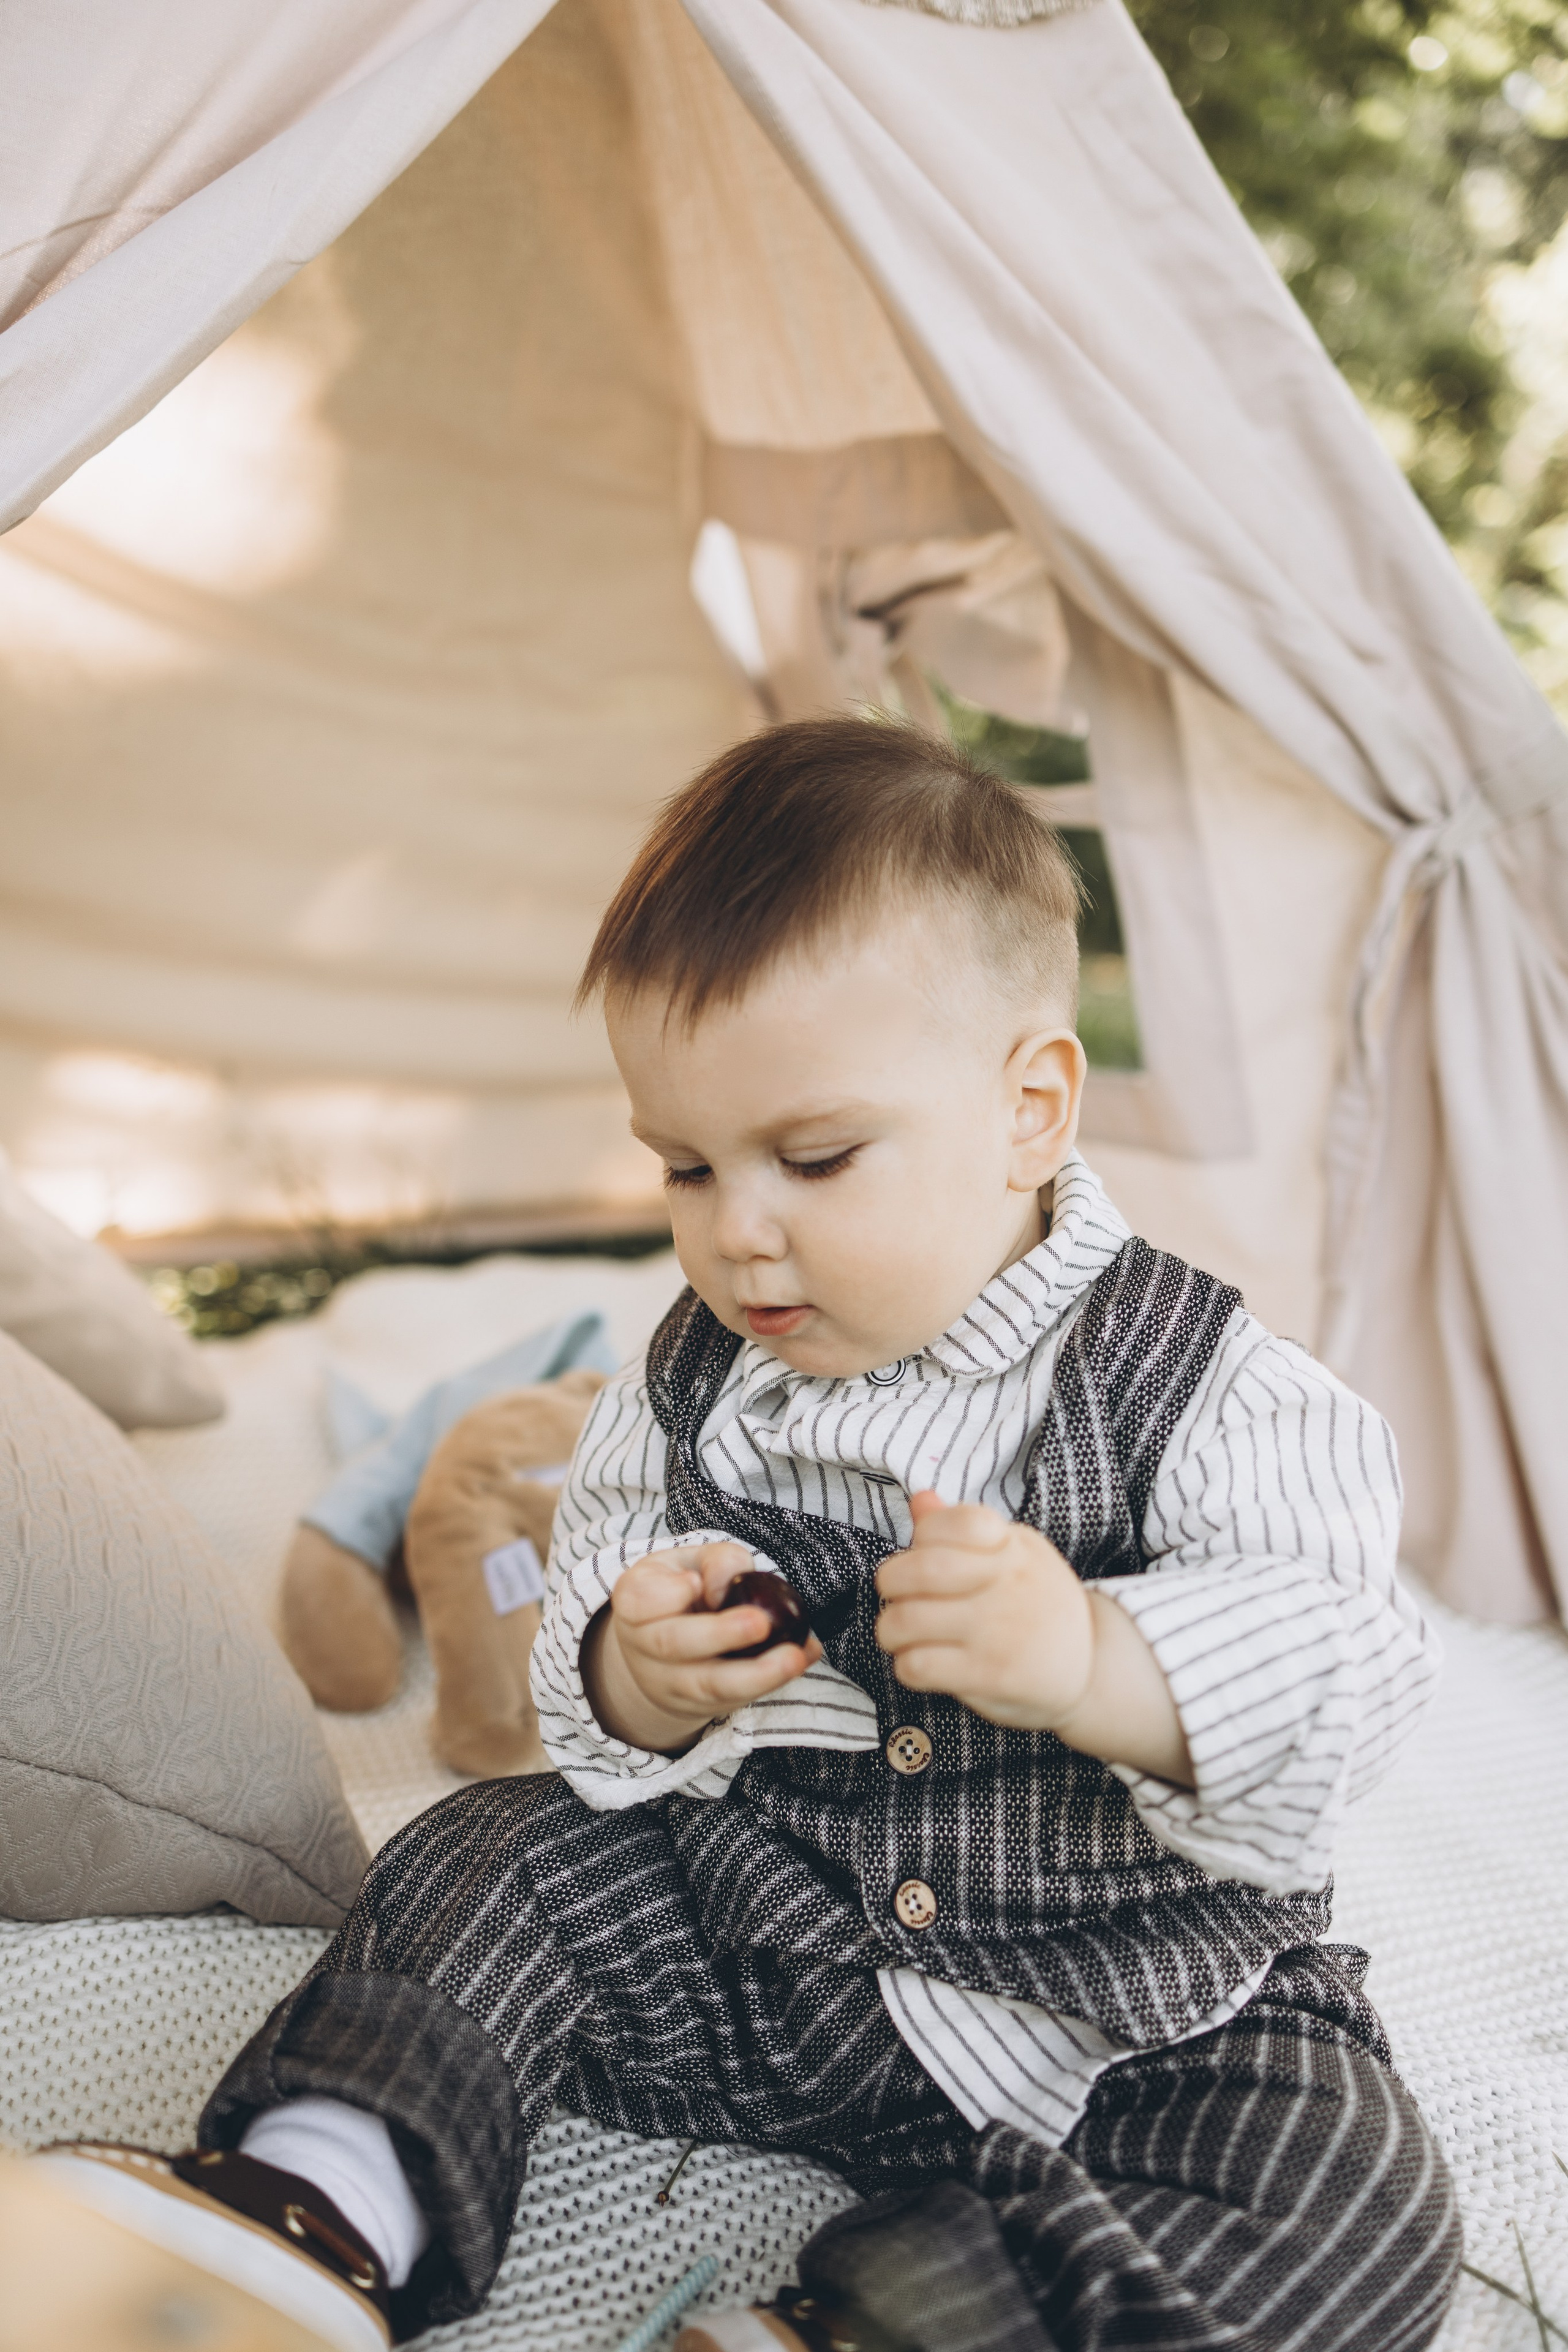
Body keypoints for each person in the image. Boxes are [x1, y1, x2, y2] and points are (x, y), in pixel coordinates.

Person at [31, 718, 1460, 2352]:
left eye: (815, 1156)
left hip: (1125, 2004)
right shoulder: (691, 1382)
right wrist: (637, 1671)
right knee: (496, 1853)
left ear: (1032, 1108)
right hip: (773, 1946)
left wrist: (1099, 1658)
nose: (738, 1232)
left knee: (1355, 2196)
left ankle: (886, 2324)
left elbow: (1351, 1671)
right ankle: (311, 2204)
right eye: (686, 1167)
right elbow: (590, 1686)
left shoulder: (1210, 1385)